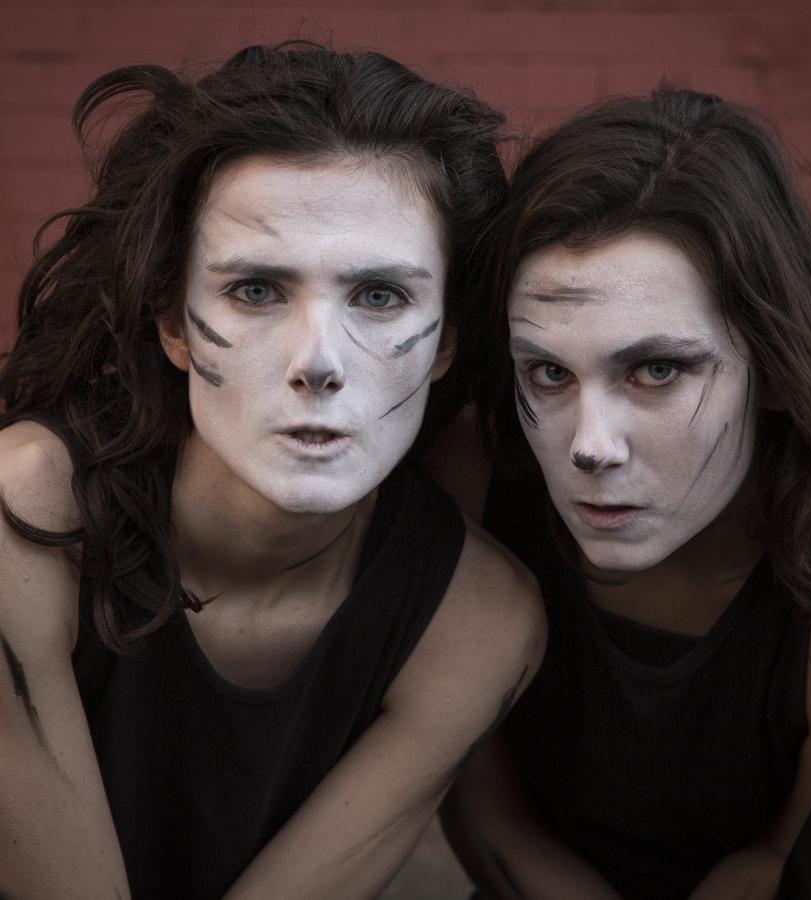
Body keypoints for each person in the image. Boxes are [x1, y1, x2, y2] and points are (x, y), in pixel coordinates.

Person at [0, 42, 545, 900]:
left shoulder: (475, 618)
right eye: (255, 290)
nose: (317, 363)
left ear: (446, 342)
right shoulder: (23, 515)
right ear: (173, 324)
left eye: (379, 296)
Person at [440, 87, 811, 899]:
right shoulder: (472, 481)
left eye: (657, 369)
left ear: (776, 368)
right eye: (549, 372)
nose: (590, 446)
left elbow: (788, 863)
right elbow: (489, 820)